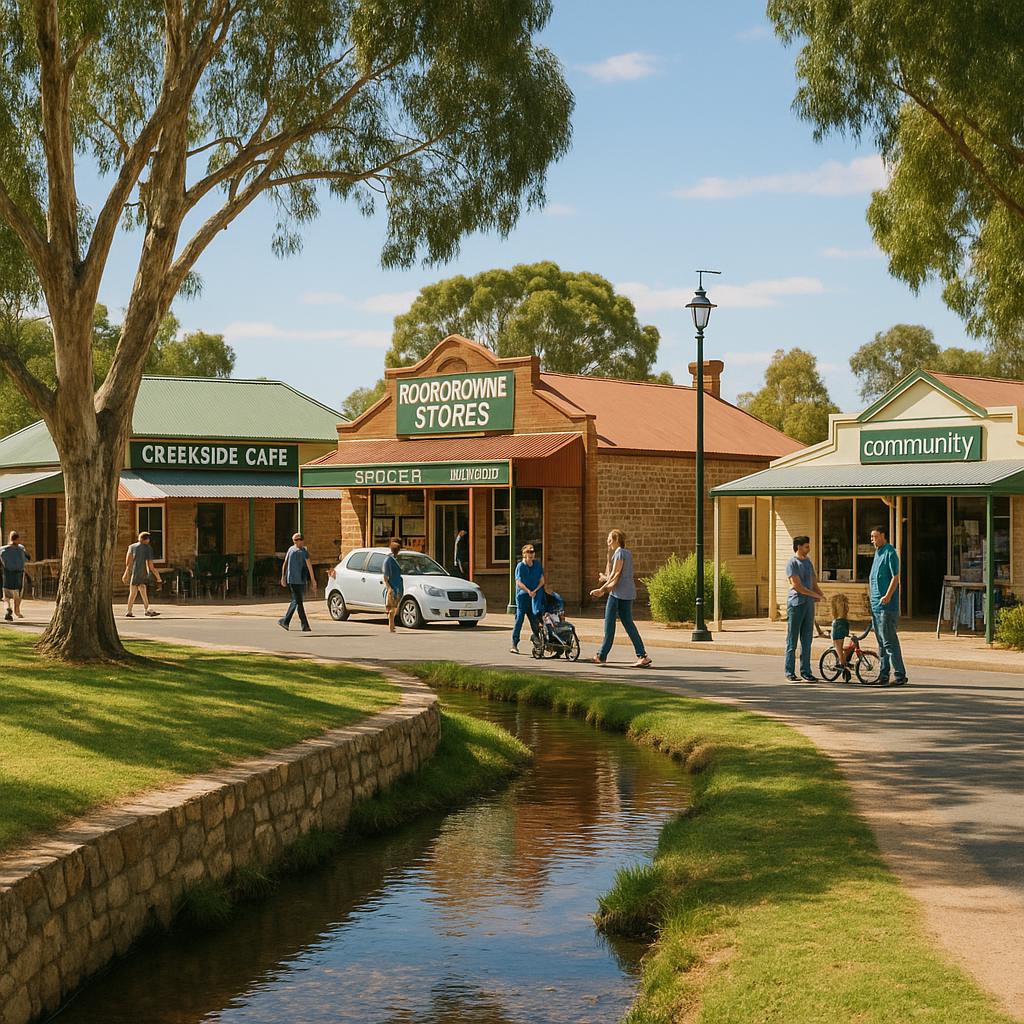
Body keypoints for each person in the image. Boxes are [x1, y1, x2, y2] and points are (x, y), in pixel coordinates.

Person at [590, 529, 652, 668]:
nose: (608, 542)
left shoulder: (618, 553)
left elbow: (616, 575)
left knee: (609, 625)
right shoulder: (627, 553)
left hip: (617, 594)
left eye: (609, 539)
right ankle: (642, 656)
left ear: (616, 539)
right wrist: (605, 579)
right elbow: (619, 575)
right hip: (628, 593)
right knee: (629, 624)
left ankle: (601, 656)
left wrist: (602, 589)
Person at [869, 525, 908, 686]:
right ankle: (883, 674)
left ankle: (900, 675)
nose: (873, 539)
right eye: (871, 537)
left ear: (883, 536)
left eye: (875, 536)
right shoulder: (877, 553)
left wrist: (888, 595)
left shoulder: (890, 553)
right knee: (881, 642)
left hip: (887, 606)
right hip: (876, 605)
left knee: (889, 640)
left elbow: (895, 577)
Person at [784, 535, 823, 681]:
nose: (808, 548)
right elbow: (797, 586)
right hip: (796, 604)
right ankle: (789, 671)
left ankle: (806, 671)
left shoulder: (808, 562)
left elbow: (813, 582)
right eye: (806, 546)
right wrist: (812, 593)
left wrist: (820, 594)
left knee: (807, 639)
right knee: (792, 639)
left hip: (808, 604)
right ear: (799, 547)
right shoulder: (792, 563)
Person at [510, 543, 544, 654]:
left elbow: (542, 580)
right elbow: (518, 582)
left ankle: (538, 642)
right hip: (522, 598)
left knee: (534, 620)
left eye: (532, 552)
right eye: (528, 552)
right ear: (524, 554)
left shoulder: (537, 565)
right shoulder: (520, 566)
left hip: (533, 597)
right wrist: (528, 591)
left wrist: (535, 590)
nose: (531, 554)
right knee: (519, 620)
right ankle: (514, 644)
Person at [278, 532, 315, 632]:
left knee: (297, 601)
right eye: (295, 540)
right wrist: (283, 577)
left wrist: (313, 580)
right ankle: (304, 625)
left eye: (299, 539)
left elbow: (309, 565)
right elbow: (285, 564)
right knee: (298, 601)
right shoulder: (291, 550)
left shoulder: (303, 552)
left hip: (300, 580)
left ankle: (286, 621)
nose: (299, 542)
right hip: (293, 580)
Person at [123, 531, 162, 618]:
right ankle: (147, 609)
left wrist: (126, 573)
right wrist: (158, 577)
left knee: (133, 592)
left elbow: (128, 562)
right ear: (146, 540)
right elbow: (150, 565)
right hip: (143, 572)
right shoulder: (147, 548)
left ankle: (129, 610)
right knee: (142, 590)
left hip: (134, 572)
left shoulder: (131, 547)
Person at [1, 530, 30, 621]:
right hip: (18, 575)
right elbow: (28, 557)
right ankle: (17, 611)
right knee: (17, 596)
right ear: (17, 539)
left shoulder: (2, 549)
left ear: (9, 538)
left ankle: (7, 609)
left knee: (6, 597)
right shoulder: (21, 548)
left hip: (7, 575)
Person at [829, 592, 853, 682]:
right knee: (844, 646)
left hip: (837, 626)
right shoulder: (845, 614)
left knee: (838, 648)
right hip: (845, 624)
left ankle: (844, 667)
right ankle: (845, 661)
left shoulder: (836, 619)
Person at [382, 537, 404, 632]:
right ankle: (391, 625)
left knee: (395, 606)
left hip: (398, 584)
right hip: (393, 585)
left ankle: (392, 623)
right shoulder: (388, 560)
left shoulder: (396, 559)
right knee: (392, 606)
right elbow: (385, 576)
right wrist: (389, 588)